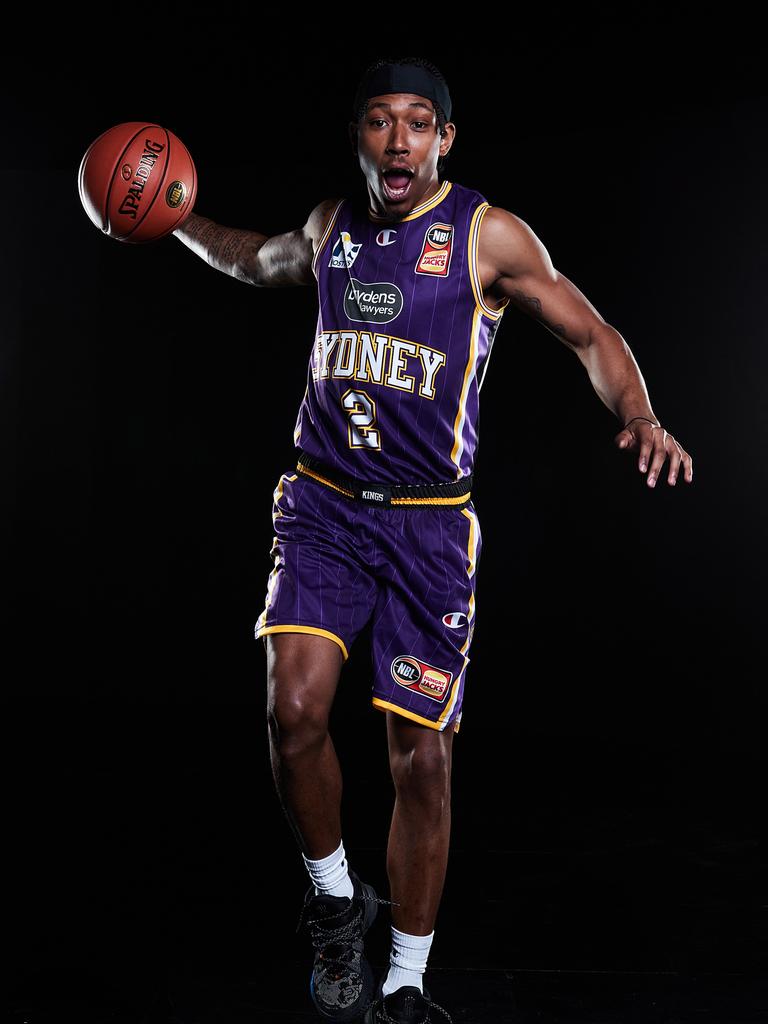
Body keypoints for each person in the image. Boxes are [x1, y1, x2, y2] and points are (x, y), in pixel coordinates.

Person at [173, 55, 693, 1024]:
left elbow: (588, 331)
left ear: (446, 138)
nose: (400, 138)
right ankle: (335, 904)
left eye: (420, 122)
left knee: (424, 759)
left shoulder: (485, 235)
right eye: (381, 120)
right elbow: (254, 257)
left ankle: (406, 979)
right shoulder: (333, 228)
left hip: (428, 530)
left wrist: (643, 412)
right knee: (293, 712)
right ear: (362, 136)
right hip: (323, 507)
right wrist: (174, 220)